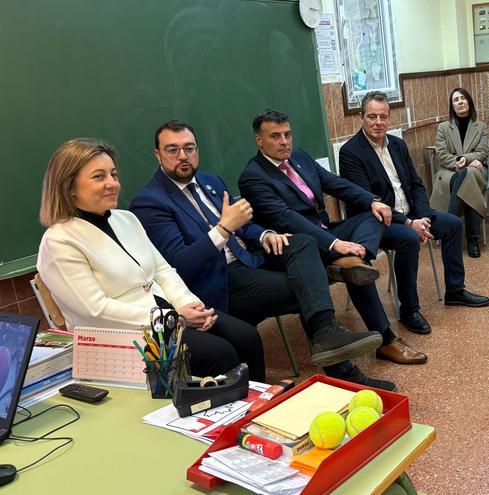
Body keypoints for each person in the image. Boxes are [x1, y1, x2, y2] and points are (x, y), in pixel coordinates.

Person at [130, 121, 394, 390]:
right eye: (173, 150)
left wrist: (265, 234)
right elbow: (181, 266)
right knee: (307, 285)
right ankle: (343, 369)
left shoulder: (209, 180)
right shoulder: (150, 202)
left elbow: (244, 223)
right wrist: (223, 229)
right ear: (158, 155)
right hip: (218, 282)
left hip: (250, 258)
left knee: (302, 243)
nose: (183, 156)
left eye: (189, 148)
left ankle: (327, 331)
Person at [36, 138, 266, 381]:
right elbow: (96, 311)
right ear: (69, 186)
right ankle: (229, 416)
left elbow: (162, 270)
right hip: (120, 336)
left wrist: (190, 305)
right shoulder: (59, 241)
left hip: (168, 315)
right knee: (219, 354)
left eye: (113, 174)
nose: (112, 184)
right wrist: (175, 319)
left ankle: (260, 410)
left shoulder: (126, 219)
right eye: (99, 177)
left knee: (246, 336)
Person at [238, 109, 428, 365]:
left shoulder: (300, 157)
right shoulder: (253, 176)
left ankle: (351, 261)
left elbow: (334, 183)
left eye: (287, 134)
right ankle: (386, 339)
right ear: (259, 140)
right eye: (275, 136)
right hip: (298, 247)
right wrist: (335, 244)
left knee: (375, 216)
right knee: (354, 263)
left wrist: (372, 201)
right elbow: (286, 218)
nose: (284, 141)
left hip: (326, 233)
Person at [339, 91, 489, 335]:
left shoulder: (397, 145)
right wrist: (410, 223)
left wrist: (424, 218)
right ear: (361, 117)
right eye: (372, 117)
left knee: (452, 224)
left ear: (389, 118)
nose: (378, 122)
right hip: (379, 222)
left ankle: (454, 290)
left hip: (414, 215)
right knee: (409, 239)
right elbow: (365, 201)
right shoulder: (350, 152)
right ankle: (409, 309)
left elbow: (417, 185)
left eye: (383, 117)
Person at [430, 87, 489, 258]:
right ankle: (473, 239)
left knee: (468, 176)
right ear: (452, 106)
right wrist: (459, 163)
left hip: (476, 171)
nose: (460, 102)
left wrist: (466, 158)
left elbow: (482, 152)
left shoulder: (481, 127)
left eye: (463, 98)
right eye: (456, 100)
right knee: (466, 179)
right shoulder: (443, 128)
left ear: (469, 102)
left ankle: (448, 225)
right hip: (450, 171)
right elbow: (441, 155)